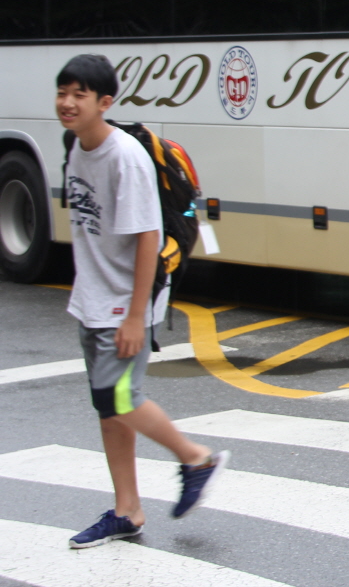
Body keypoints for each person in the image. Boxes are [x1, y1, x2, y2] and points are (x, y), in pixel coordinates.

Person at [55, 54, 228, 548]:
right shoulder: (77, 146)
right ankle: (127, 510)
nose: (67, 103)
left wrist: (135, 316)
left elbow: (149, 238)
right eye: (63, 92)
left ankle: (196, 458)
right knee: (108, 410)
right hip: (95, 295)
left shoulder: (124, 156)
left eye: (79, 95)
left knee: (118, 398)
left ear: (104, 103)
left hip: (126, 299)